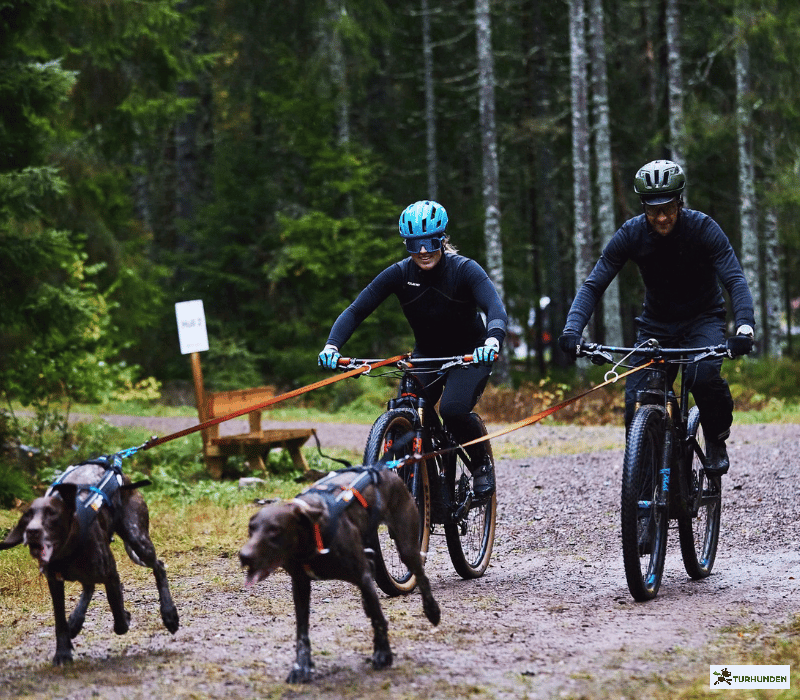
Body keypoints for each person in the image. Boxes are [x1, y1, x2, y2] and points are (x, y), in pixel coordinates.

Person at [558, 159, 755, 476]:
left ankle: (716, 437)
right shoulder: (632, 234)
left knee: (701, 377)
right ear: (643, 207)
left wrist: (744, 327)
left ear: (680, 202)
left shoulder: (704, 229)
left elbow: (735, 280)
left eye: (668, 208)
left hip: (703, 319)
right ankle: (644, 486)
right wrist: (572, 330)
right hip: (656, 326)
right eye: (653, 210)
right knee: (635, 401)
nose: (661, 217)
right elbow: (594, 284)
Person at [318, 200, 508, 499]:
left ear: (442, 240)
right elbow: (356, 310)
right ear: (406, 244)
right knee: (404, 410)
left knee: (452, 410)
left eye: (431, 242)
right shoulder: (398, 274)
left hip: (471, 354)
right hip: (427, 356)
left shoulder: (465, 270)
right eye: (415, 245)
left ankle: (480, 462)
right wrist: (332, 345)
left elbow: (495, 308)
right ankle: (412, 483)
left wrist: (492, 340)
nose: (423, 251)